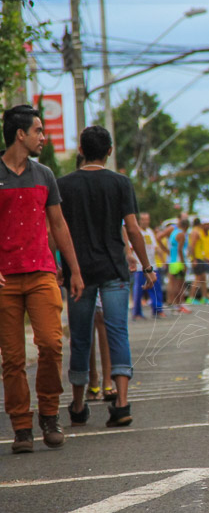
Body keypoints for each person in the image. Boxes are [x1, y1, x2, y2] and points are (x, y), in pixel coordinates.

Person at [59, 125, 156, 429]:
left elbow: (55, 231)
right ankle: (122, 403)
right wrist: (147, 266)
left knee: (81, 337)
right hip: (114, 269)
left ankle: (77, 404)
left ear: (81, 151)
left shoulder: (64, 185)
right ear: (110, 152)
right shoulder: (121, 184)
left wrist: (60, 266)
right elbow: (133, 229)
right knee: (118, 333)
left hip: (79, 272)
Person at [0, 105, 84, 453]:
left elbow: (58, 224)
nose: (43, 138)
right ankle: (21, 427)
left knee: (51, 344)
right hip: (5, 280)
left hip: (41, 273)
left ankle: (49, 415)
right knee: (13, 358)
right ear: (20, 134)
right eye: (38, 131)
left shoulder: (45, 175)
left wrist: (75, 270)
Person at [130, 212, 165, 319]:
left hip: (152, 265)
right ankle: (137, 313)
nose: (145, 221)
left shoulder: (150, 232)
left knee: (156, 288)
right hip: (140, 267)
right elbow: (131, 248)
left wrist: (163, 258)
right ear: (139, 220)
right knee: (139, 290)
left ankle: (158, 310)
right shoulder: (136, 232)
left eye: (147, 219)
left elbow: (155, 247)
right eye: (143, 219)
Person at [163, 215, 191, 313]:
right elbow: (180, 250)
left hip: (172, 261)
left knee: (172, 283)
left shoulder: (173, 232)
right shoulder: (182, 235)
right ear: (187, 226)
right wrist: (184, 264)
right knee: (180, 285)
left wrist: (167, 252)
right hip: (179, 262)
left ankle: (173, 303)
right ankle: (180, 304)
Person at [189, 217, 209, 305]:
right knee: (198, 279)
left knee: (203, 279)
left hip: (201, 258)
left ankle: (204, 297)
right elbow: (192, 246)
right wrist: (193, 259)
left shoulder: (197, 232)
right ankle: (191, 297)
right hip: (197, 259)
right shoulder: (195, 232)